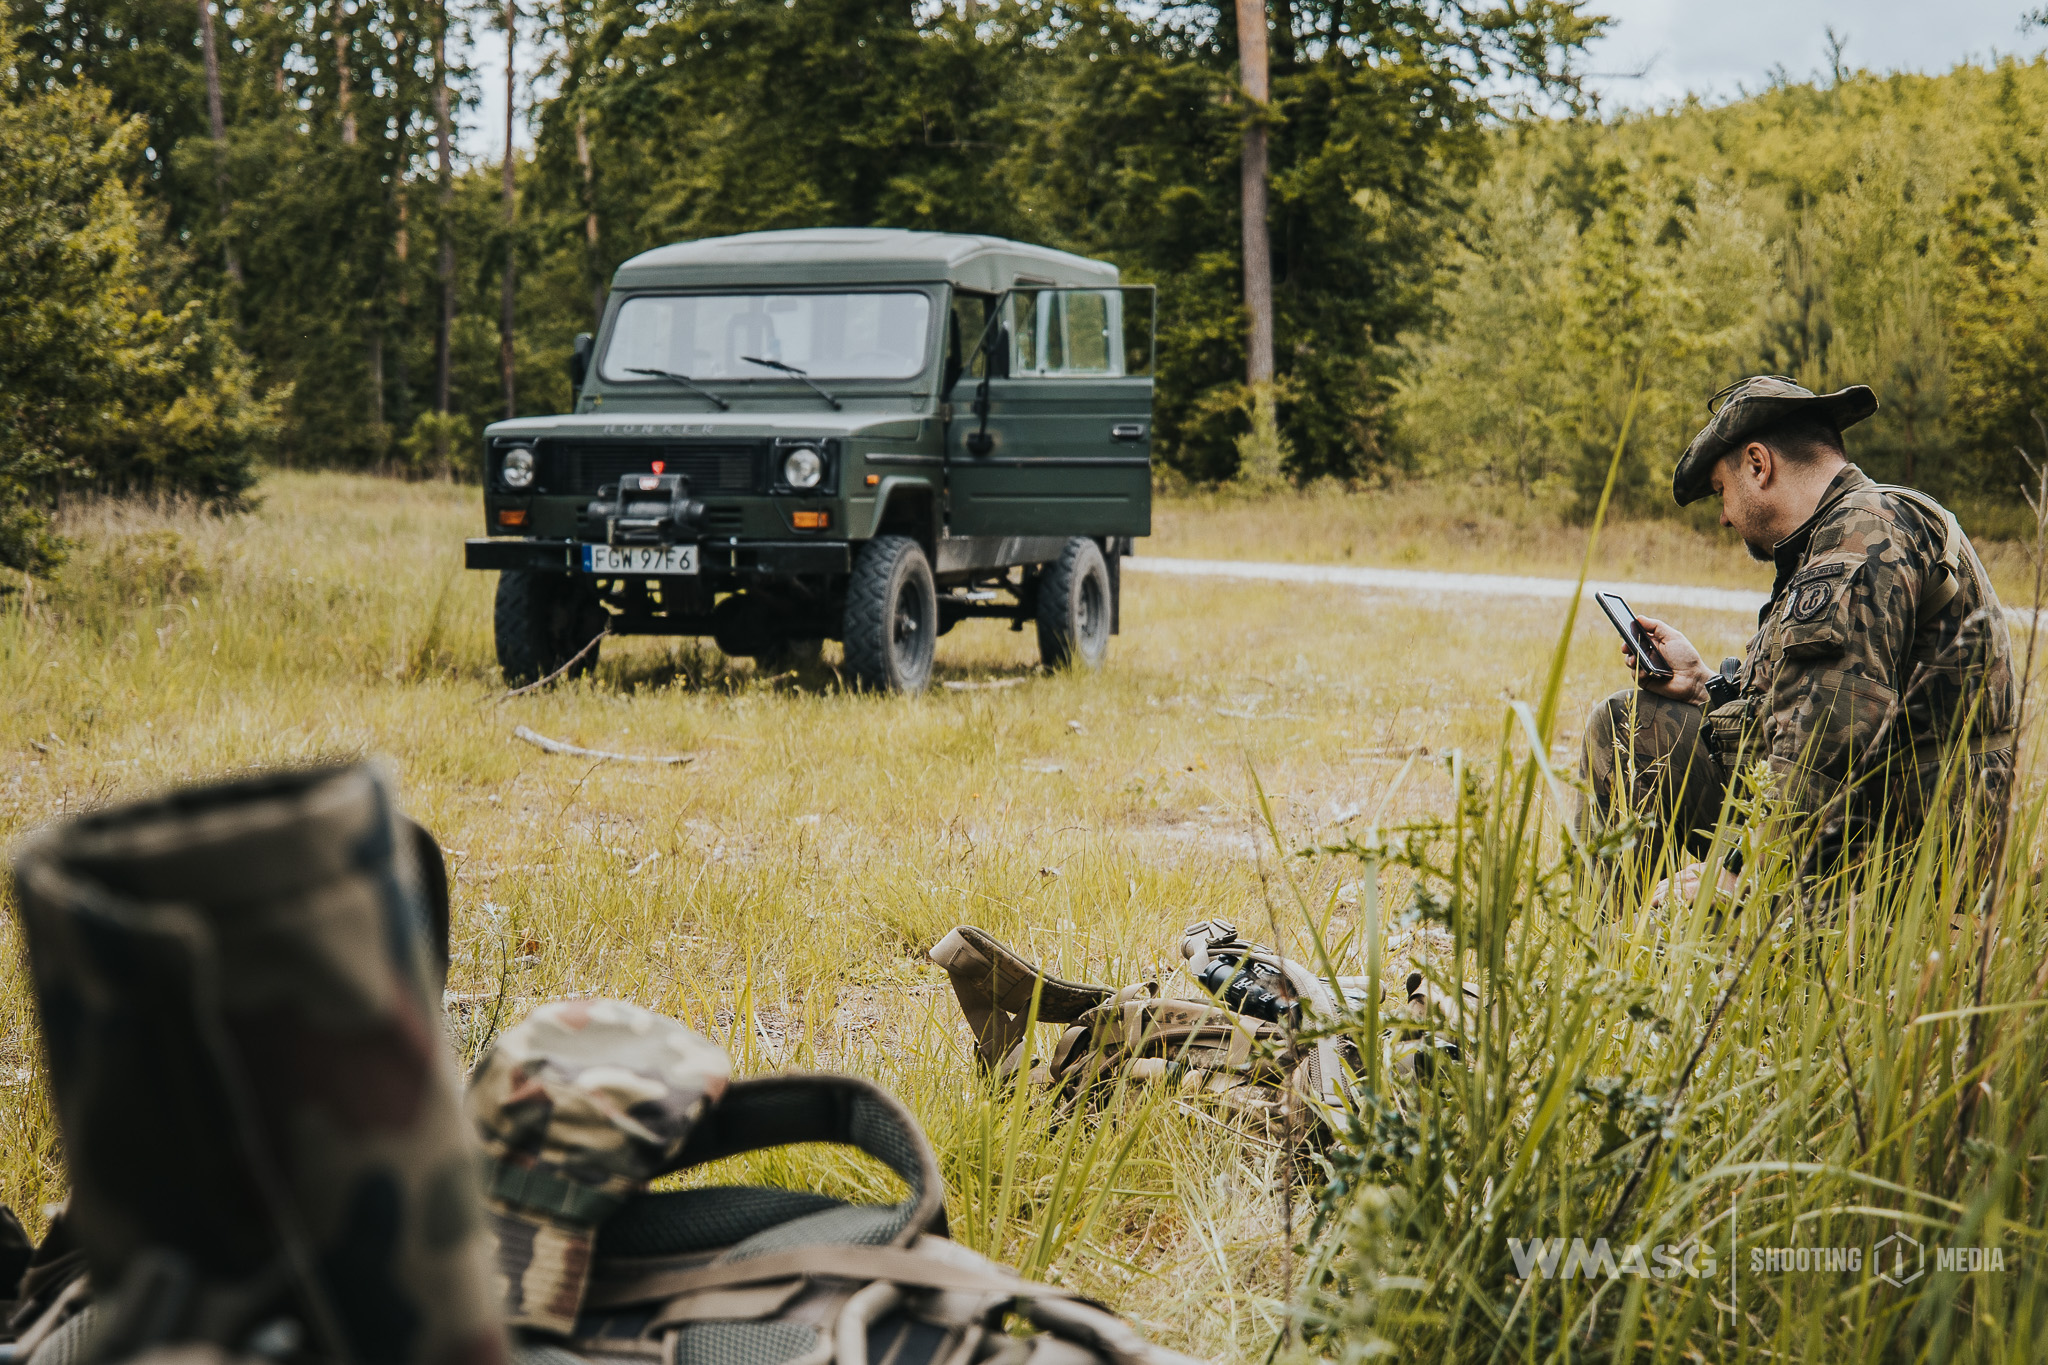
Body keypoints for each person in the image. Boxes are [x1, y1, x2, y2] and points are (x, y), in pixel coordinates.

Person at [1578, 375, 2017, 896]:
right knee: (1630, 724)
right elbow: (1797, 710)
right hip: (1882, 814)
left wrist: (1740, 874)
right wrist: (1702, 686)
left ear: (1758, 465)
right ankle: (1620, 940)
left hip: (1909, 847)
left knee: (1691, 902)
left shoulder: (1861, 534)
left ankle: (1645, 942)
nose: (1723, 517)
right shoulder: (1845, 531)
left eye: (1720, 491)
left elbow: (1829, 738)